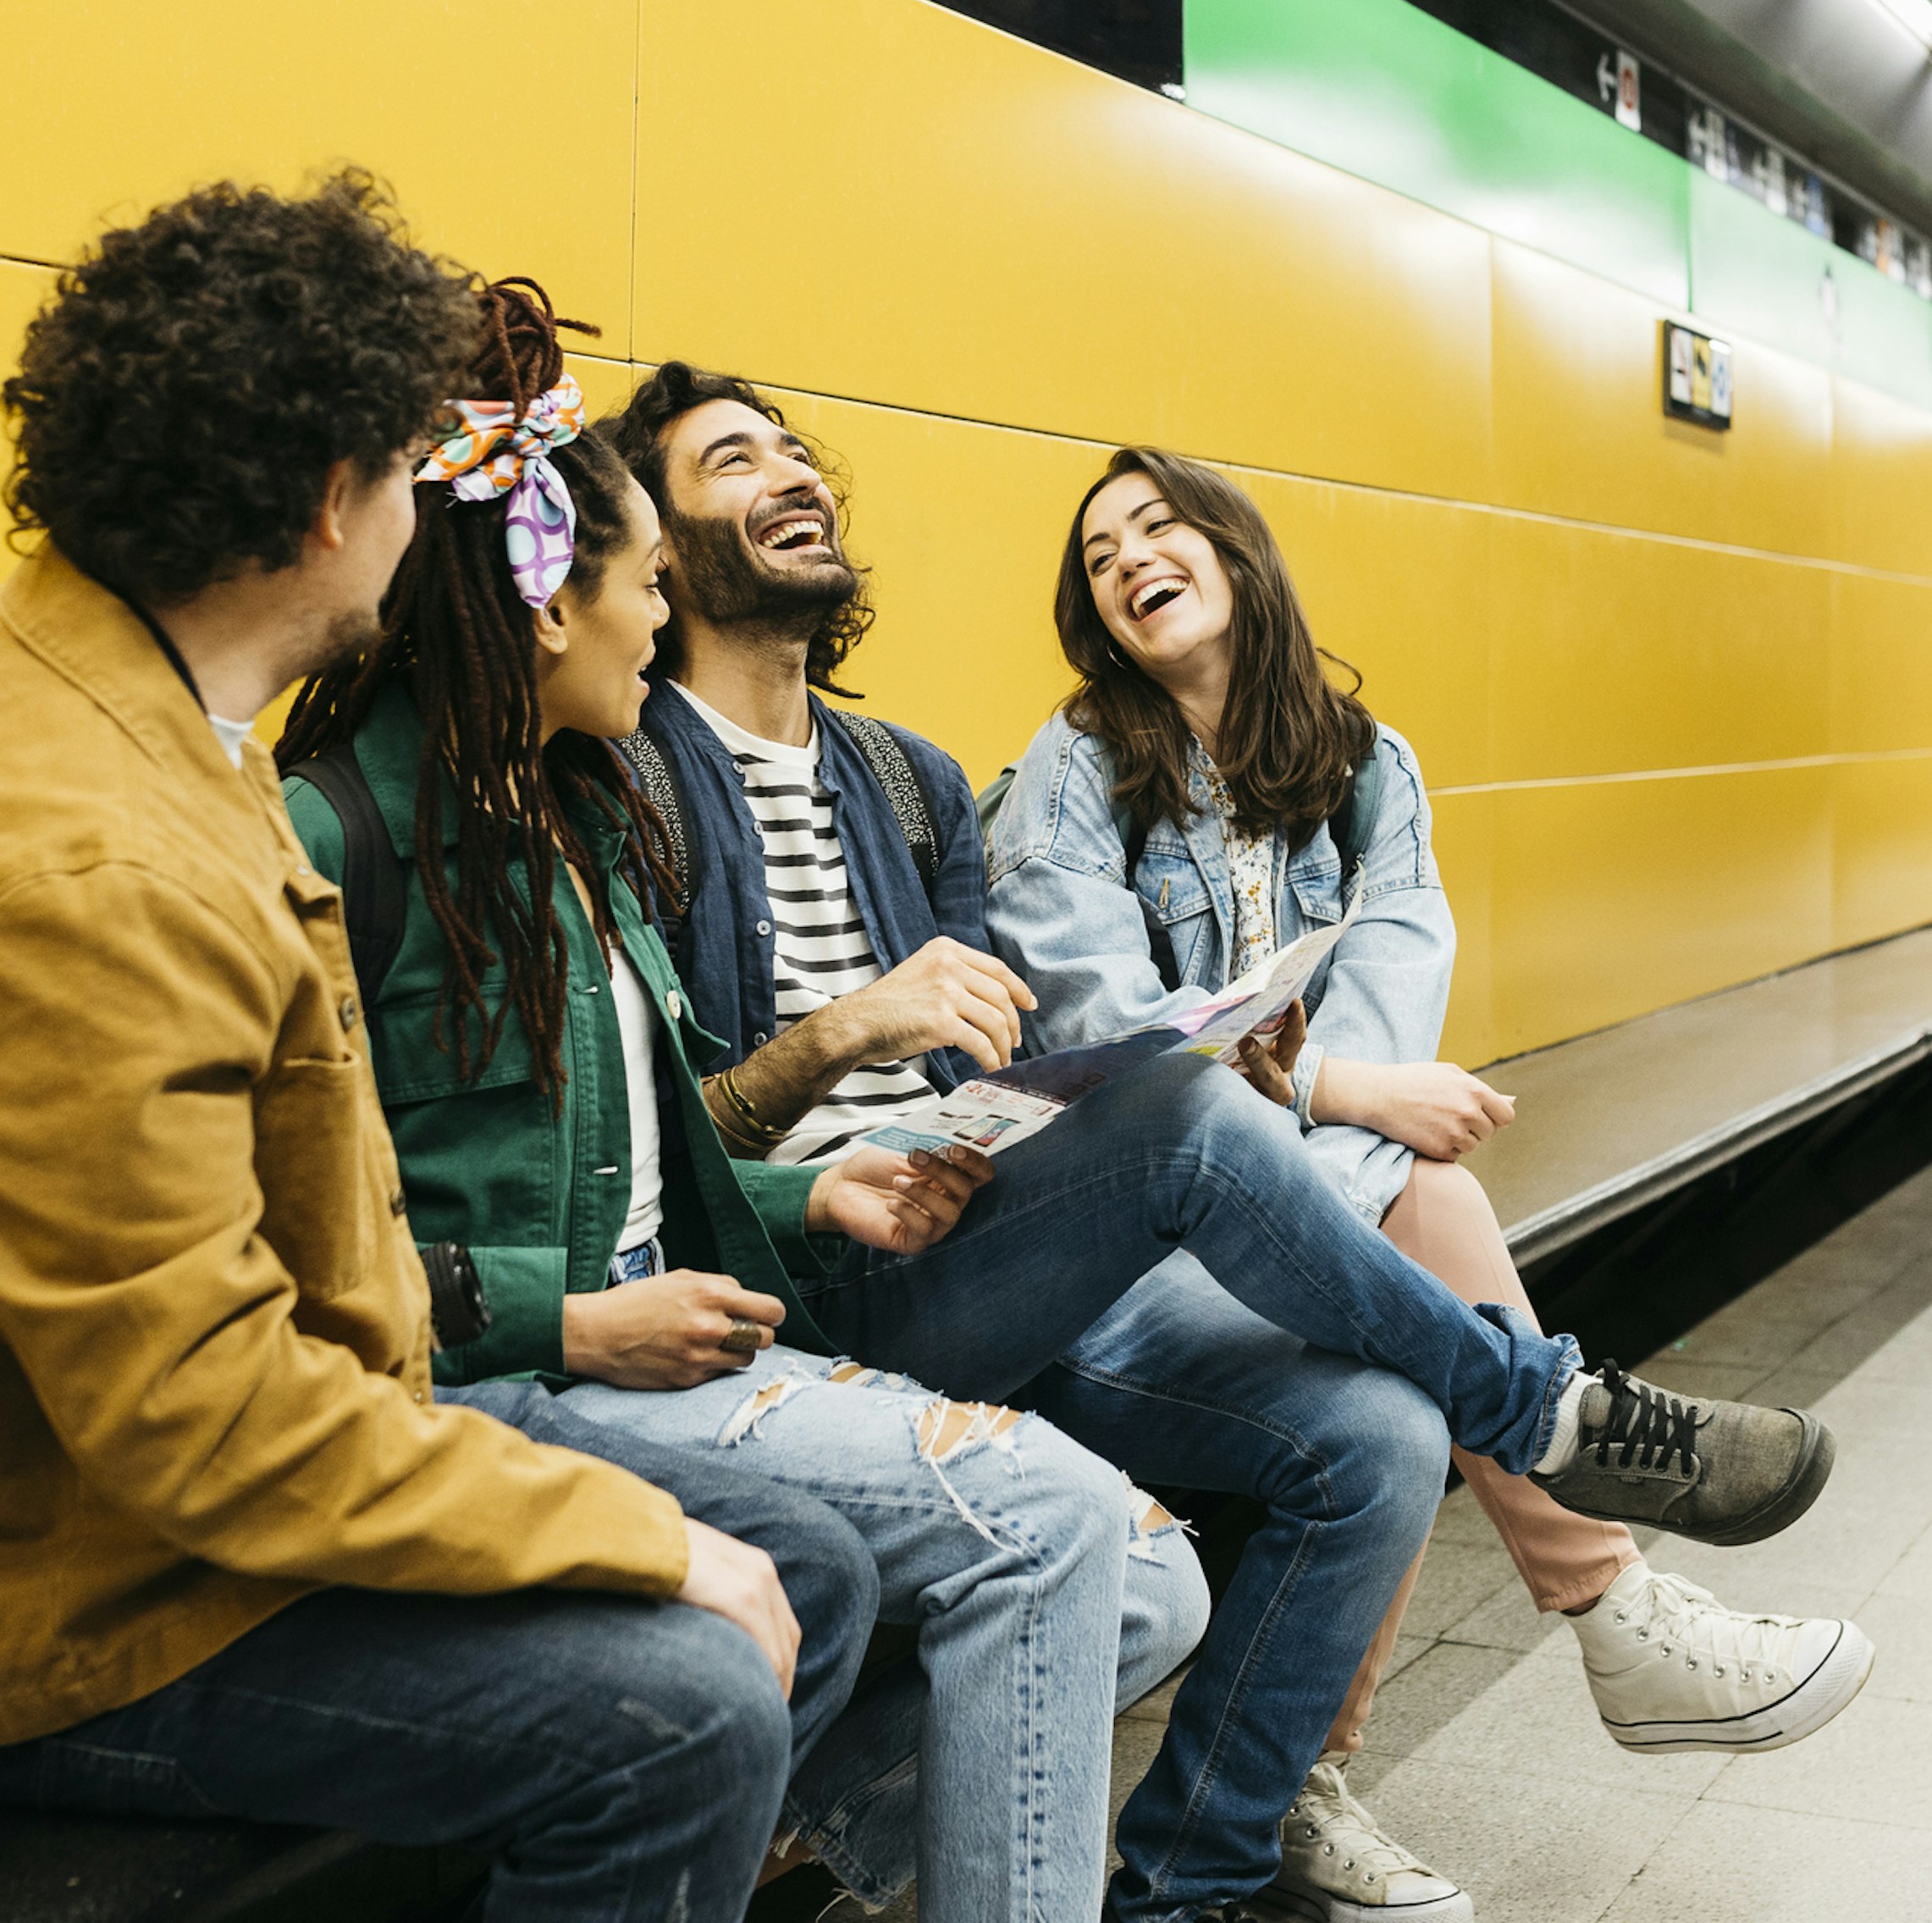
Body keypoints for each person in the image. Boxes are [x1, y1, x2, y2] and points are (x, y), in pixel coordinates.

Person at [0, 175, 881, 1923]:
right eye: (413, 472)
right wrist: (648, 1537)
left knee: (813, 1578)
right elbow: (208, 1420)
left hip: (140, 1506)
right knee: (676, 1709)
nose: (437, 517)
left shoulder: (73, 662)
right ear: (336, 499)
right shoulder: (73, 861)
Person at [600, 366, 1847, 1923]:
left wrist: (1086, 1101)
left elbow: (1039, 1061)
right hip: (813, 1265)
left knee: (1380, 1438)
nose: (793, 474)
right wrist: (844, 1043)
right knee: (1203, 1118)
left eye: (798, 451)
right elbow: (649, 1150)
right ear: (651, 539)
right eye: (733, 460)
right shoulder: (627, 772)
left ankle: (1196, 1872)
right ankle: (1549, 1417)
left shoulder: (909, 784)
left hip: (991, 1225)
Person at [273, 279, 1212, 1923]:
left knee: (1146, 1577)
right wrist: (572, 1322)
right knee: (1064, 1528)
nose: (659, 621)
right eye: (641, 585)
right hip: (525, 1381)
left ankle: (787, 1824)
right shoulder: (336, 831)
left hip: (685, 1343)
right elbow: (302, 1270)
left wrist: (809, 1197)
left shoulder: (577, 813)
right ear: (548, 606)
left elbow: (640, 1160)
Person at [988, 446, 1880, 1896]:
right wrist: (1333, 1092)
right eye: (1098, 556)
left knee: (1409, 1270)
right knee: (1423, 1212)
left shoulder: (1362, 766)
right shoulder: (1074, 773)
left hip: (1316, 1199)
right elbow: (1107, 1049)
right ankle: (1605, 1602)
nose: (1129, 559)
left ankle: (1315, 1784)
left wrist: (1338, 1142)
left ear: (1235, 550)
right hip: (1125, 1245)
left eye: (1159, 527)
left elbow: (1398, 1005)